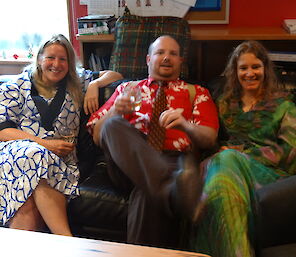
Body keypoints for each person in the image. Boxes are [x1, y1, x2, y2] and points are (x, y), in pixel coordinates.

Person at [87, 35, 219, 248]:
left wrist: (185, 125)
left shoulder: (197, 93)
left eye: (173, 54)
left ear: (180, 61)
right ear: (149, 59)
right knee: (112, 125)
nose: (166, 58)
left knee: (147, 193)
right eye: (160, 53)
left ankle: (165, 188)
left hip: (173, 161)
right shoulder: (126, 89)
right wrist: (115, 111)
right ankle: (173, 189)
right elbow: (97, 136)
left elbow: (209, 139)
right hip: (126, 165)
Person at [189, 40, 296, 257]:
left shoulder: (284, 105)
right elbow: (210, 143)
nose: (250, 73)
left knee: (227, 161)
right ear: (234, 71)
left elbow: (293, 152)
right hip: (224, 170)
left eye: (255, 66)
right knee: (221, 176)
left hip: (269, 175)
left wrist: (241, 154)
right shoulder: (223, 104)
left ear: (265, 69)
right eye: (243, 68)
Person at [0, 34, 110, 235]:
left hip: (61, 161)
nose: (56, 64)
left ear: (70, 63)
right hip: (15, 155)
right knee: (34, 154)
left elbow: (114, 75)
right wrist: (43, 144)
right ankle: (66, 238)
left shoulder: (77, 82)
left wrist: (95, 84)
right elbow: (2, 130)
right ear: (39, 58)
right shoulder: (15, 87)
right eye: (50, 57)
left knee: (28, 199)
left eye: (63, 59)